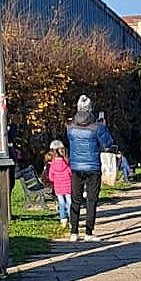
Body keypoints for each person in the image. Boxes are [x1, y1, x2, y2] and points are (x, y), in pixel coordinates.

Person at [67, 95, 114, 242]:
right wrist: (104, 127)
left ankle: (74, 232)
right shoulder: (97, 127)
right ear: (91, 109)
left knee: (75, 199)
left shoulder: (70, 127)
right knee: (91, 200)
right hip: (93, 166)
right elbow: (108, 143)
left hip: (76, 166)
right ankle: (88, 232)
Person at [48, 141, 72, 228]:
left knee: (61, 203)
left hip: (58, 187)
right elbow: (71, 174)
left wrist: (56, 180)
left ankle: (63, 220)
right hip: (68, 187)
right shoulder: (67, 164)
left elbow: (51, 177)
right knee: (69, 203)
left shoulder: (52, 165)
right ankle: (72, 220)